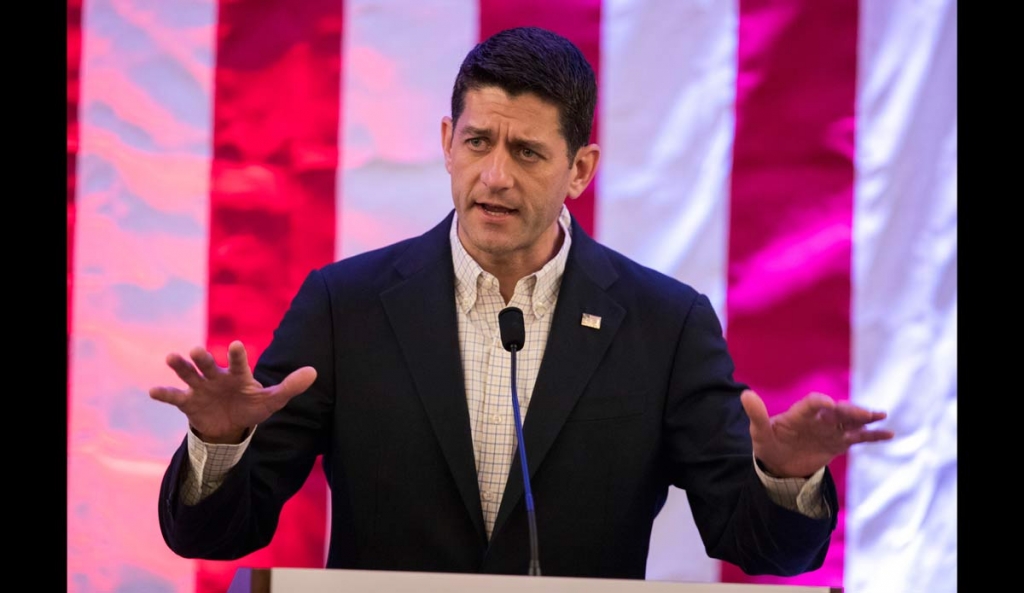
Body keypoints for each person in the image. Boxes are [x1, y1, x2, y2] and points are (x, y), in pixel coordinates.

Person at [151, 26, 893, 579]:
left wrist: (786, 478)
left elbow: (758, 543)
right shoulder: (347, 306)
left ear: (580, 169)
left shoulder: (664, 325)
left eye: (527, 153)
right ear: (447, 142)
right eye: (478, 143)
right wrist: (218, 448)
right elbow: (217, 534)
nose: (494, 177)